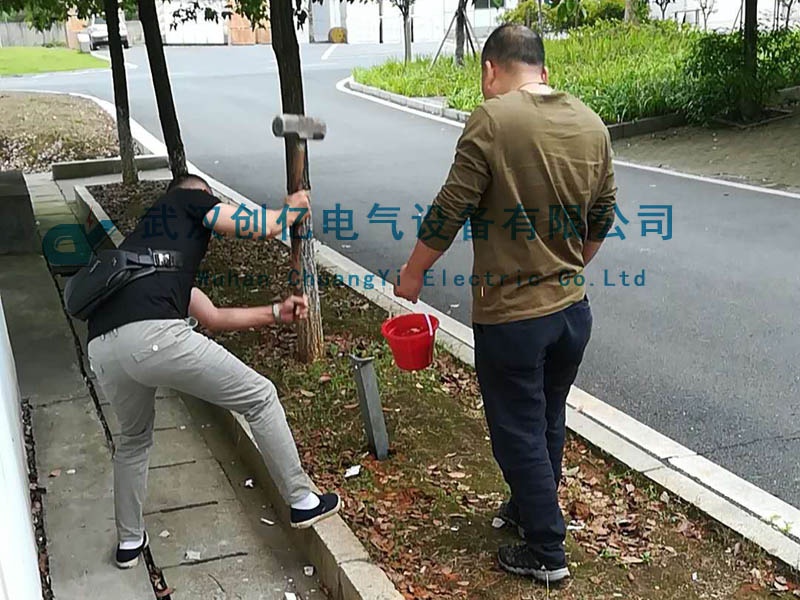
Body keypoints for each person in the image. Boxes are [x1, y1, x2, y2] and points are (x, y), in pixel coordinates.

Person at [394, 24, 617, 583]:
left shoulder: (492, 120)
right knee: (546, 416)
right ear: (544, 71)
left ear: (490, 70)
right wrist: (568, 267)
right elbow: (603, 215)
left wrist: (414, 273)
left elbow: (451, 207)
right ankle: (526, 506)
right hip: (572, 313)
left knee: (516, 429)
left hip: (514, 318)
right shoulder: (591, 123)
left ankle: (547, 551)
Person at [86, 174, 340, 569]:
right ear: (200, 195)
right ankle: (302, 500)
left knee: (133, 440)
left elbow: (215, 317)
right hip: (153, 335)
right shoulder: (187, 199)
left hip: (102, 349)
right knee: (260, 396)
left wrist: (276, 312)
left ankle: (129, 542)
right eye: (211, 198)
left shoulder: (147, 253)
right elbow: (262, 226)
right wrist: (291, 210)